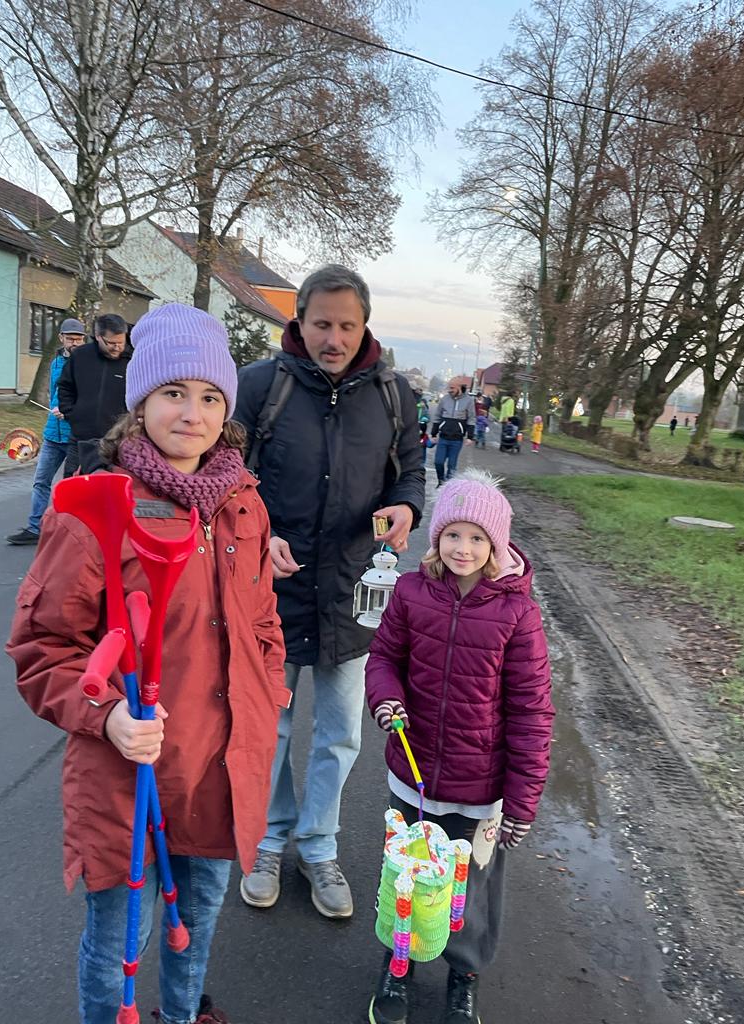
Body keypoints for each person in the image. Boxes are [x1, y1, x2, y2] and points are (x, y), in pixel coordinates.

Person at [7, 303, 288, 1024]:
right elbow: (44, 648)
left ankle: (184, 1013)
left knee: (195, 927)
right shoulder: (95, 508)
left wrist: (269, 692)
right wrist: (106, 716)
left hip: (222, 769)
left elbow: (261, 619)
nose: (192, 413)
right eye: (173, 392)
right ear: (140, 402)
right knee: (117, 943)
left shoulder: (244, 505)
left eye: (210, 396)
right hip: (129, 776)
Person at [234, 265, 425, 919]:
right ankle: (268, 841)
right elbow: (227, 476)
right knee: (271, 728)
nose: (334, 339)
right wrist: (257, 537)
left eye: (347, 325)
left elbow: (411, 472)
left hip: (352, 592)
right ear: (300, 321)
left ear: (365, 325)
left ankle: (319, 846)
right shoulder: (262, 386)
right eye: (321, 324)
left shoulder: (394, 395)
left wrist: (406, 508)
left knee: (341, 733)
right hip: (272, 593)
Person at [364, 470, 554, 1024]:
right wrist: (387, 698)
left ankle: (463, 975)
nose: (463, 549)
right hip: (414, 775)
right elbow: (384, 659)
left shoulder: (518, 614)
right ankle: (398, 961)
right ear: (437, 538)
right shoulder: (410, 592)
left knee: (470, 890)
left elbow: (532, 712)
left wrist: (521, 803)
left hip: (481, 792)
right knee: (405, 876)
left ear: (496, 545)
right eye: (452, 535)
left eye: (477, 538)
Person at [6, 318, 86, 545]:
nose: (74, 343)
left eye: (79, 339)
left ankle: (70, 532)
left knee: (72, 488)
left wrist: (69, 411)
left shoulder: (87, 364)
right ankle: (35, 528)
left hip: (75, 436)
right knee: (41, 482)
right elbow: (54, 395)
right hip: (52, 434)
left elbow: (89, 399)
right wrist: (55, 409)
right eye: (70, 338)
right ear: (61, 338)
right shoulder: (55, 363)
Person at [58, 312, 131, 476]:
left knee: (110, 489)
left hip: (117, 443)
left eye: (121, 342)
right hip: (80, 440)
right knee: (72, 486)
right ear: (98, 336)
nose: (117, 347)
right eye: (111, 343)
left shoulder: (133, 360)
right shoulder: (80, 356)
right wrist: (72, 415)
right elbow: (65, 387)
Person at [430, 380, 476, 486]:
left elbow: (471, 418)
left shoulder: (469, 400)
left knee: (452, 465)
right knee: (438, 462)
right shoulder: (445, 399)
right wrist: (433, 434)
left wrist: (470, 436)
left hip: (457, 439)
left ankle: (448, 486)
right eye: (449, 388)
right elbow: (437, 416)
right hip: (443, 437)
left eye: (452, 388)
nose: (449, 390)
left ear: (460, 387)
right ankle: (441, 481)